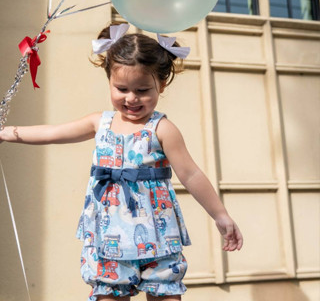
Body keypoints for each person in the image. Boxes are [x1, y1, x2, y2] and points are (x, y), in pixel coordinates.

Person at [0, 23, 243, 301]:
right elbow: (54, 133)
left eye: (142, 90)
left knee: (165, 294)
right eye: (122, 88)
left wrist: (220, 215)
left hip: (157, 233)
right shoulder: (99, 123)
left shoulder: (161, 129)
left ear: (161, 85)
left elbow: (191, 175)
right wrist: (8, 133)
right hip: (108, 233)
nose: (131, 98)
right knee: (108, 294)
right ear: (109, 82)